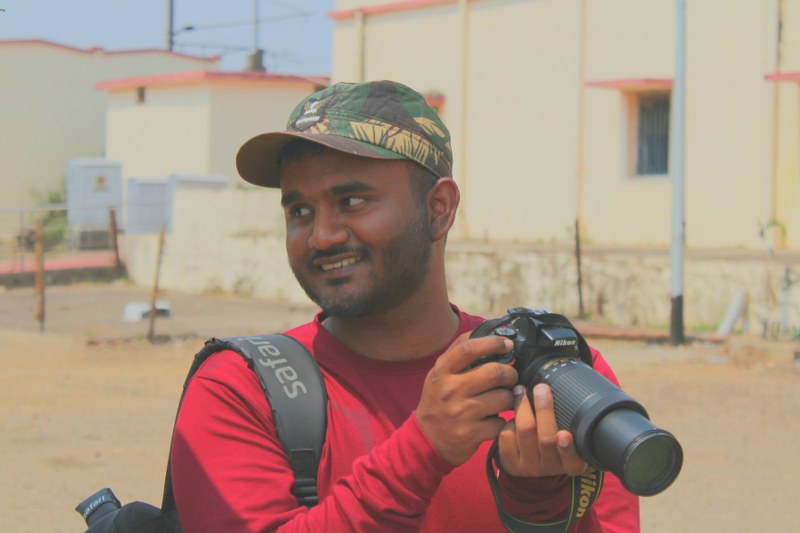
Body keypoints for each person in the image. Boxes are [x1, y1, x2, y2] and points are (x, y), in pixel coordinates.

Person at [170, 80, 640, 532]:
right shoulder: (238, 389)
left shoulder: (562, 381)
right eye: (299, 211)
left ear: (438, 209)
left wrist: (539, 504)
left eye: (352, 201)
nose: (322, 236)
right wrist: (423, 447)